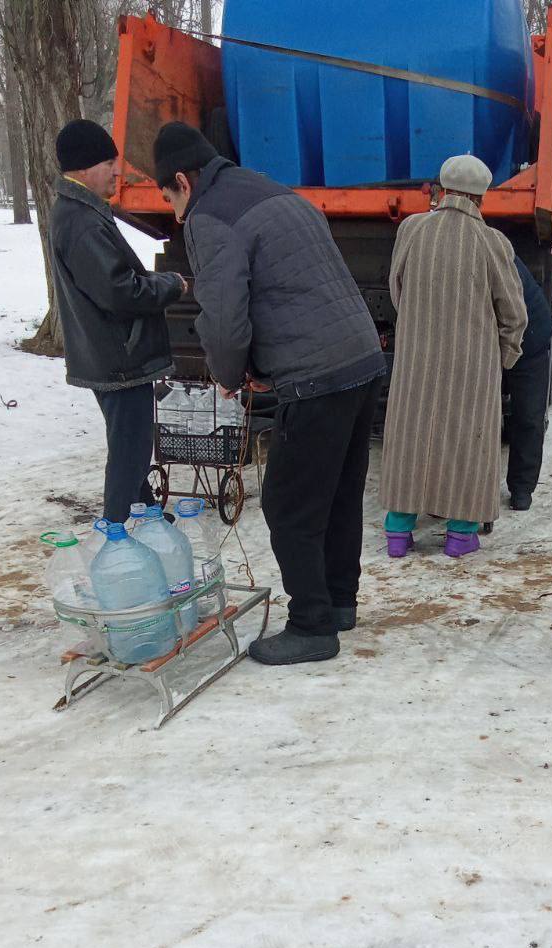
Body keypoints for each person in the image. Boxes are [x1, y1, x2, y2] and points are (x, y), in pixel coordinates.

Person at [154, 122, 386, 666]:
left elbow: (225, 318)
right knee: (336, 494)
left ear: (183, 181)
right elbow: (291, 288)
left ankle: (310, 624)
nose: (173, 212)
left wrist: (231, 374)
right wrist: (262, 363)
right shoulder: (274, 191)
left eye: (169, 197)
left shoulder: (209, 218)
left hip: (317, 373)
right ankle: (338, 603)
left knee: (287, 503)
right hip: (360, 360)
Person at [379, 154, 527, 558]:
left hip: (416, 360)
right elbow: (514, 313)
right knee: (467, 440)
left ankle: (398, 531)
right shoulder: (493, 242)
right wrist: (502, 358)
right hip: (473, 365)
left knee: (410, 436)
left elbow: (398, 290)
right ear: (482, 198)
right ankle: (460, 534)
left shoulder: (411, 229)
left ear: (440, 190)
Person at [49, 120, 186, 524]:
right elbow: (119, 292)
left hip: (113, 354)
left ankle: (146, 516)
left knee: (132, 445)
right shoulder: (81, 221)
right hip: (119, 359)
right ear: (84, 167)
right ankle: (117, 535)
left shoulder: (82, 213)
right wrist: (169, 286)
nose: (116, 171)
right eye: (109, 162)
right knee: (129, 449)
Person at [505, 257, 552, 510]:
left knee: (528, 415)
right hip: (497, 336)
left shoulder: (495, 254)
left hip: (530, 338)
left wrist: (502, 359)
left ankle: (522, 487)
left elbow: (514, 318)